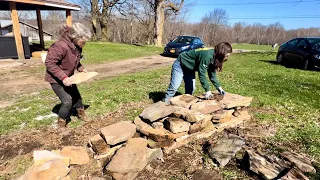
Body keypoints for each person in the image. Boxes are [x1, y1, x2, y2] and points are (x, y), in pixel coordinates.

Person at [45, 23, 91, 128]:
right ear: (75, 37)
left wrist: (81, 68)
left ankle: (81, 114)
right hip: (56, 79)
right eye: (83, 40)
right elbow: (50, 63)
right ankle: (61, 123)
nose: (84, 43)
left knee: (77, 97)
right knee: (67, 101)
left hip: (68, 78)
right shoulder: (60, 46)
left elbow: (75, 61)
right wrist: (63, 77)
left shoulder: (76, 46)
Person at [163, 42, 232, 104]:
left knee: (190, 89)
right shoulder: (207, 55)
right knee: (175, 86)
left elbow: (212, 75)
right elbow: (202, 74)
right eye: (226, 55)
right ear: (221, 52)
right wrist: (207, 91)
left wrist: (219, 88)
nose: (226, 58)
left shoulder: (215, 58)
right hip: (181, 64)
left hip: (190, 68)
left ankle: (185, 104)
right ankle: (166, 102)